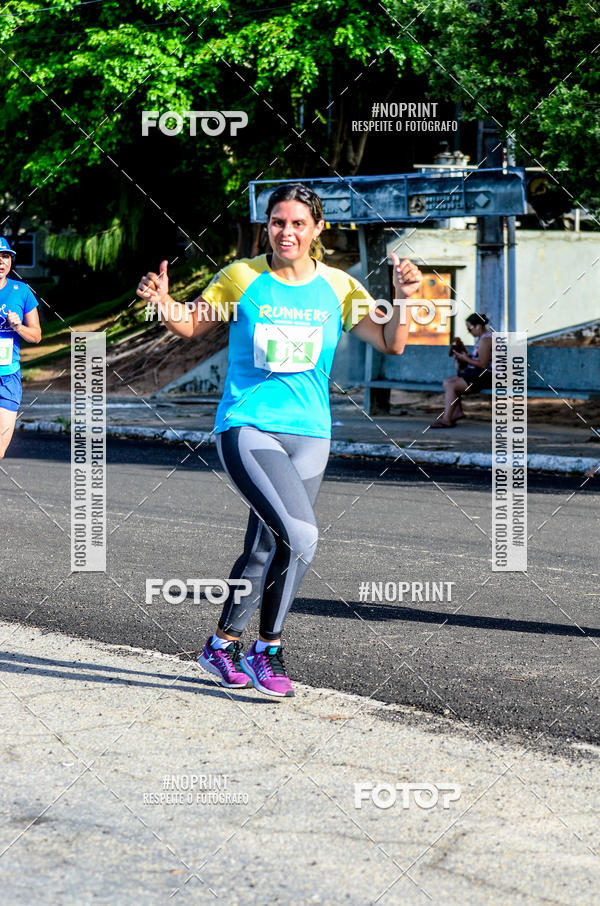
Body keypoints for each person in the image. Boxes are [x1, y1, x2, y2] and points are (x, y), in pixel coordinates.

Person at [137, 183, 422, 697]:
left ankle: (221, 645)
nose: (285, 232)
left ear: (317, 229)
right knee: (302, 535)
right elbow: (191, 325)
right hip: (248, 425)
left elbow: (391, 342)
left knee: (267, 544)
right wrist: (163, 302)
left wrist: (405, 298)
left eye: (297, 223)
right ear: (266, 226)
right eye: (277, 222)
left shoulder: (340, 286)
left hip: (311, 434)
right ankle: (267, 649)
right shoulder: (242, 277)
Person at [0, 236, 42, 457]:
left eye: (5, 256)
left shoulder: (22, 291)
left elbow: (36, 336)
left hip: (8, 377)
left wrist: (18, 327)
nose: (1, 261)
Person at [430, 312, 493, 428]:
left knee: (452, 385)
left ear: (478, 326)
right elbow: (481, 359)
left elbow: (483, 364)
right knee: (448, 381)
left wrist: (465, 359)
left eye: (470, 328)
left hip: (489, 377)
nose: (469, 332)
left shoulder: (485, 340)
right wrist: (466, 356)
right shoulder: (484, 337)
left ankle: (447, 420)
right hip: (483, 374)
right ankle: (457, 412)